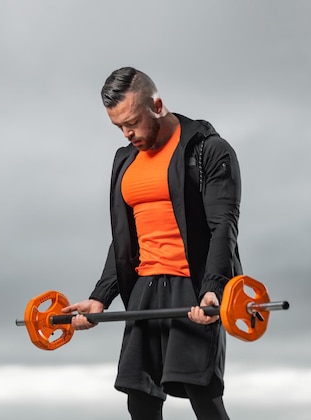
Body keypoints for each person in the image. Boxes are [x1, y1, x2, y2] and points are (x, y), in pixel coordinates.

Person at [63, 67, 243, 420]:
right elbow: (123, 240)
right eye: (119, 127)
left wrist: (214, 289)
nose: (128, 133)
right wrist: (101, 297)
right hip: (144, 288)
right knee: (139, 397)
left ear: (157, 105)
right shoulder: (126, 160)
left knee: (201, 393)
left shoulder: (209, 151)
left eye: (132, 122)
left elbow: (224, 225)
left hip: (192, 286)